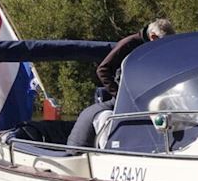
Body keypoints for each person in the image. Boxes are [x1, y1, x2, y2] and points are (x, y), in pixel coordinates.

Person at [67, 19, 174, 149]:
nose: (164, 49)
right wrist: (120, 96)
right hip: (126, 100)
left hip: (145, 100)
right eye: (163, 43)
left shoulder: (156, 50)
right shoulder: (128, 44)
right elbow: (103, 70)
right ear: (153, 37)